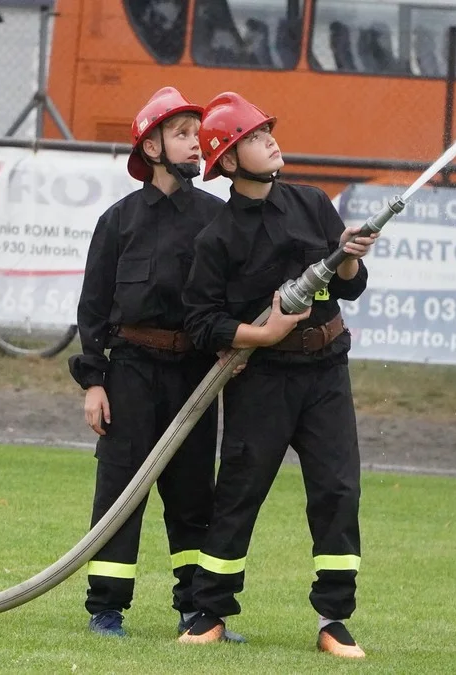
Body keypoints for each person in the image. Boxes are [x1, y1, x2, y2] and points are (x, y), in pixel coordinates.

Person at [176, 91, 377, 659]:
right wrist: (259, 336)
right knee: (239, 492)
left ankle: (334, 620)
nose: (271, 140)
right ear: (232, 162)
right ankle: (210, 612)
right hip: (260, 381)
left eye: (268, 132)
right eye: (256, 137)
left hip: (326, 373)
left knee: (337, 490)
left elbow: (349, 286)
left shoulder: (313, 203)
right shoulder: (216, 238)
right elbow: (201, 321)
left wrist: (351, 254)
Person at [68, 86, 241, 641]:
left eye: (197, 134)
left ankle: (196, 610)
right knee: (120, 490)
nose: (198, 144)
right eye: (185, 134)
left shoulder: (218, 218)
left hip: (193, 375)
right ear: (152, 143)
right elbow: (93, 308)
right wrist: (93, 382)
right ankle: (106, 609)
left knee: (193, 495)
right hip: (131, 374)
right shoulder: (118, 222)